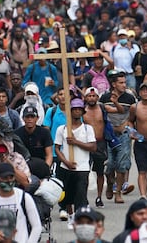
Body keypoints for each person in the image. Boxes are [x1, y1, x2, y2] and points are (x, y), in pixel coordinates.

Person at [55, 98, 97, 229]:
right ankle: (71, 215)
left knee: (80, 194)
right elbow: (57, 148)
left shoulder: (87, 129)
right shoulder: (62, 129)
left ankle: (80, 217)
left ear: (83, 112)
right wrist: (66, 162)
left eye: (79, 110)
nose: (77, 112)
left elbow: (93, 147)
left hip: (82, 167)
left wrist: (76, 142)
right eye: (74, 110)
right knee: (67, 194)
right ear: (70, 112)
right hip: (66, 167)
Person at [0, 162, 41, 243]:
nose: (8, 181)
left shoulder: (24, 198)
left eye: (11, 177)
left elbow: (37, 226)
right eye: (4, 178)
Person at [99, 70, 136, 204]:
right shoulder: (104, 98)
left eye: (125, 82)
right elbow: (101, 114)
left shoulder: (130, 98)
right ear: (113, 84)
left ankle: (118, 192)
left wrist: (130, 128)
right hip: (109, 135)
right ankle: (110, 183)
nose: (124, 85)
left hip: (123, 135)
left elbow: (132, 116)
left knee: (121, 165)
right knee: (108, 165)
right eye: (120, 83)